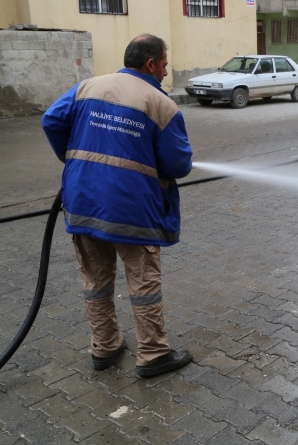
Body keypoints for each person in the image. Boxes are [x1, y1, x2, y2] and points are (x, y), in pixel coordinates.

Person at [42, 34, 194, 378]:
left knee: (96, 280)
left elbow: (51, 120)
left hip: (81, 199)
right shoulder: (159, 103)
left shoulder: (87, 87)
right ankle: (154, 354)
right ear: (151, 64)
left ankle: (105, 348)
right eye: (165, 65)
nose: (166, 72)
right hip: (131, 209)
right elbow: (178, 165)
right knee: (143, 282)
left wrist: (76, 159)